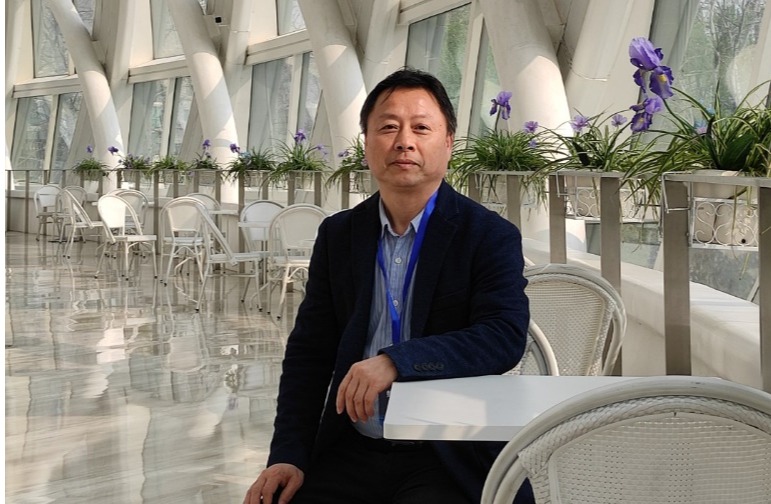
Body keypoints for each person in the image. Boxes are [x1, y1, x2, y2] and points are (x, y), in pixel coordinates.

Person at [244, 68, 530, 504]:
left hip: (446, 451)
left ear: (448, 143)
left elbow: (503, 335)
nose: (404, 141)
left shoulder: (488, 234)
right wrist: (288, 454)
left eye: (421, 128)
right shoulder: (340, 235)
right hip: (353, 446)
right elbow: (310, 352)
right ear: (366, 144)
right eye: (388, 127)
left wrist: (397, 361)